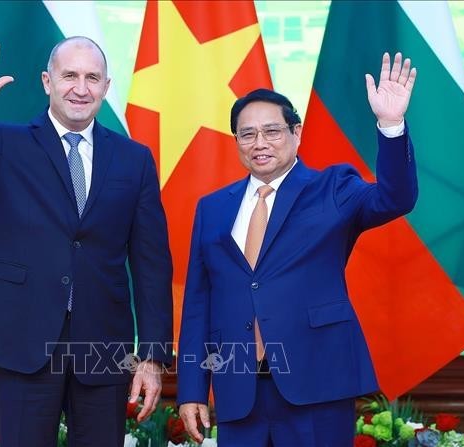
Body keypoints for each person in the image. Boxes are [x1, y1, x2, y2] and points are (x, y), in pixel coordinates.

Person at [0, 36, 173, 447]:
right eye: (69, 75)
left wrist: (151, 355)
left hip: (103, 348)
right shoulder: (5, 142)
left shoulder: (134, 159)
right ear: (46, 81)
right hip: (23, 339)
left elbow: (151, 265)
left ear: (106, 87)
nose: (80, 87)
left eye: (92, 77)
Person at [177, 52, 418, 446]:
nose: (260, 143)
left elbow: (396, 198)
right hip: (240, 394)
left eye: (272, 131)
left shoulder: (333, 188)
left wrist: (390, 125)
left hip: (318, 385)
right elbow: (198, 305)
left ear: (296, 133)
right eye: (247, 134)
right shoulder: (213, 208)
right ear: (236, 140)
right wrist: (191, 389)